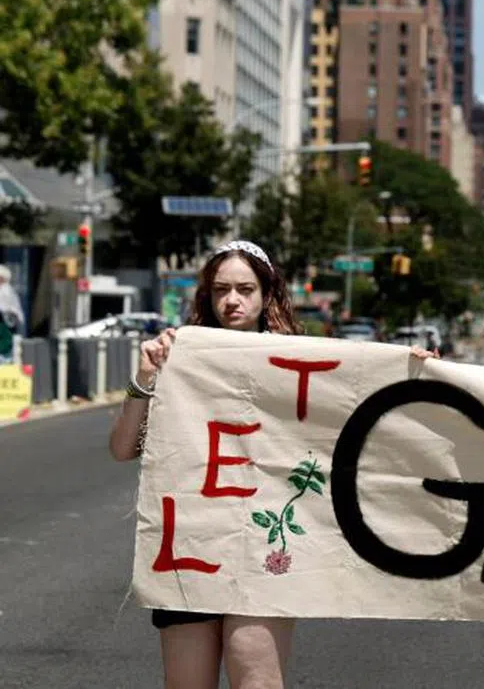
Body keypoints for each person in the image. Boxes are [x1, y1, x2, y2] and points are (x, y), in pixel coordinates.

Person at [109, 240, 434, 689]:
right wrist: (145, 379)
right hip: (191, 547)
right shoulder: (178, 355)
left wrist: (402, 369)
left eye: (245, 288)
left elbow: (356, 397)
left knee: (256, 677)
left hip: (263, 548)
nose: (232, 300)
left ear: (267, 294)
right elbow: (124, 447)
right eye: (221, 289)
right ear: (207, 294)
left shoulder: (298, 360)